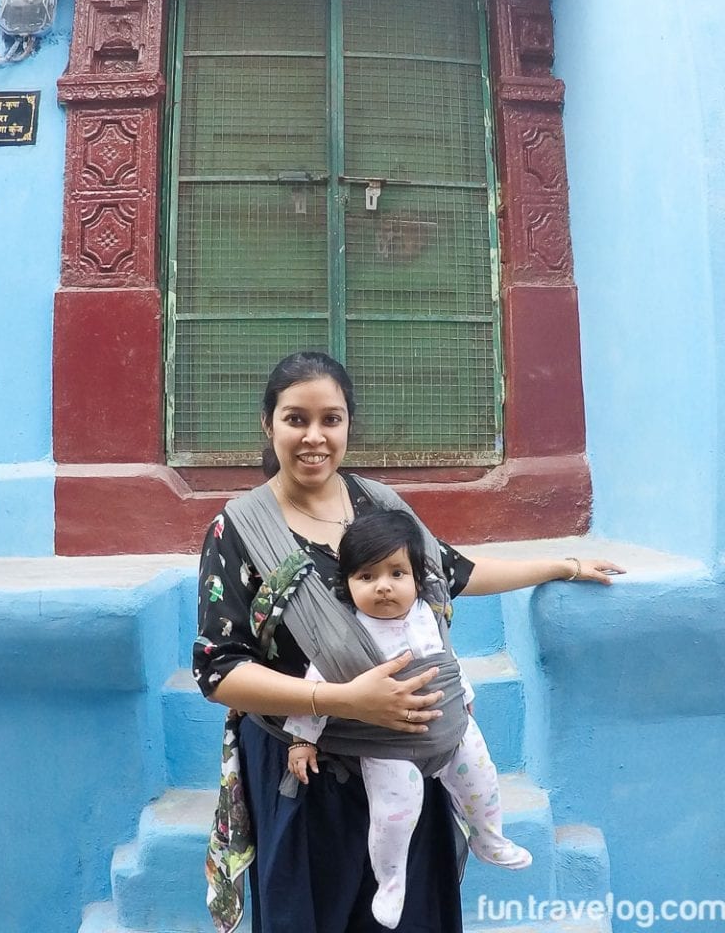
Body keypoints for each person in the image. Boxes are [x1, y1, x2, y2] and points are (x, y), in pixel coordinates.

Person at [193, 350, 623, 933]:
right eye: (296, 419)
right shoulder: (239, 529)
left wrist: (563, 565)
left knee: (412, 916)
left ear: (349, 425)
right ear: (268, 424)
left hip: (410, 760)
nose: (314, 436)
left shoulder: (379, 505)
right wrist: (341, 702)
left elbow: (452, 571)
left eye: (331, 419)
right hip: (306, 769)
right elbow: (218, 671)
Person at [284, 508, 532, 929]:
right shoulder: (345, 634)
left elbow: (446, 658)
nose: (383, 587)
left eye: (396, 574)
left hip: (450, 729)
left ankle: (489, 838)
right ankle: (391, 881)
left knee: (481, 778)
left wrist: (464, 695)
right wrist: (302, 740)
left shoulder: (426, 613)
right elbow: (318, 684)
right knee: (395, 813)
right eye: (366, 577)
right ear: (347, 584)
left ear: (418, 577)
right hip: (389, 746)